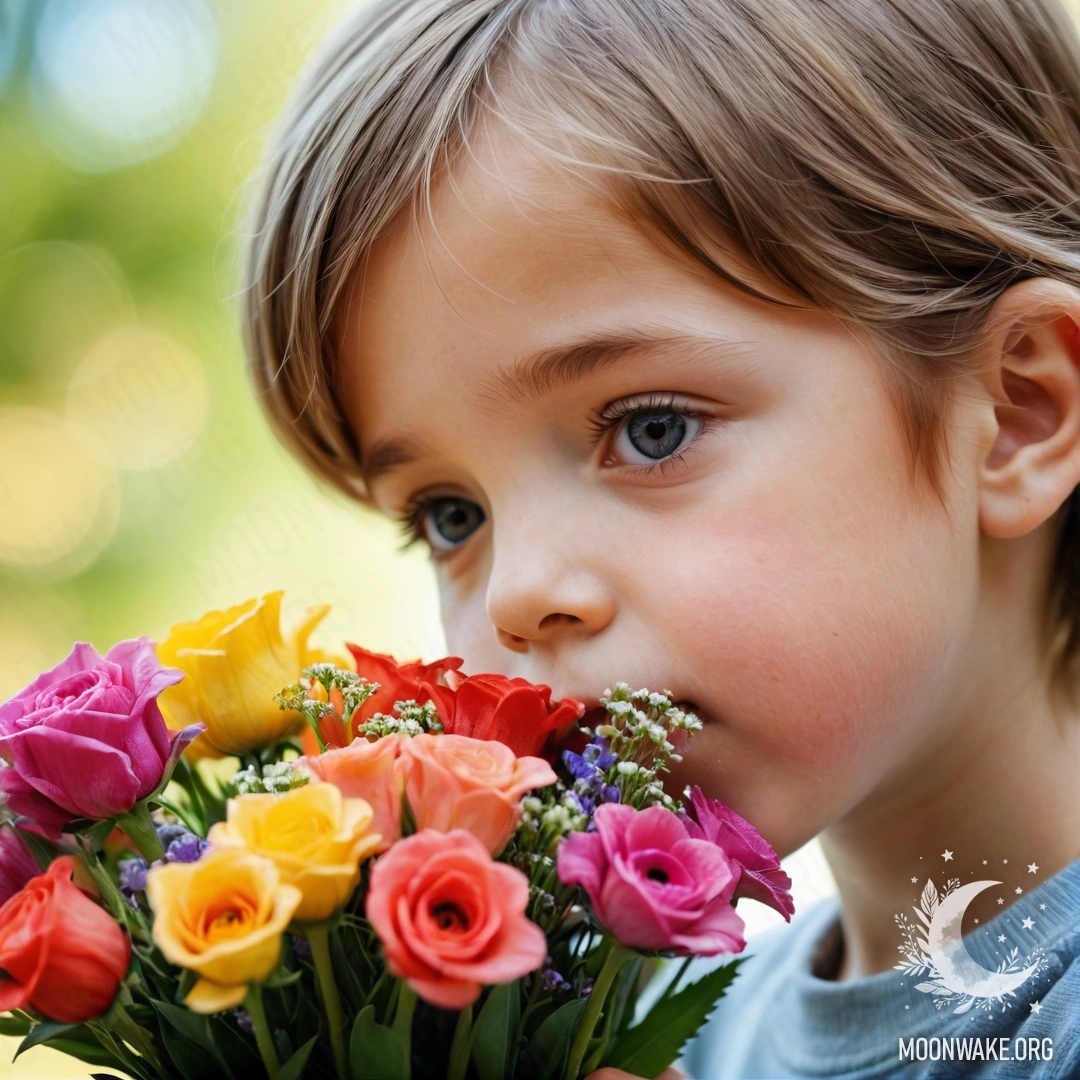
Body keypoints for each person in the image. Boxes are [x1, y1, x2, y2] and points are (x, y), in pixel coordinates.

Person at [240, 0, 1080, 1075]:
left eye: (652, 428)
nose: (517, 593)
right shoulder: (668, 1033)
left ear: (1014, 415)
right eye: (452, 514)